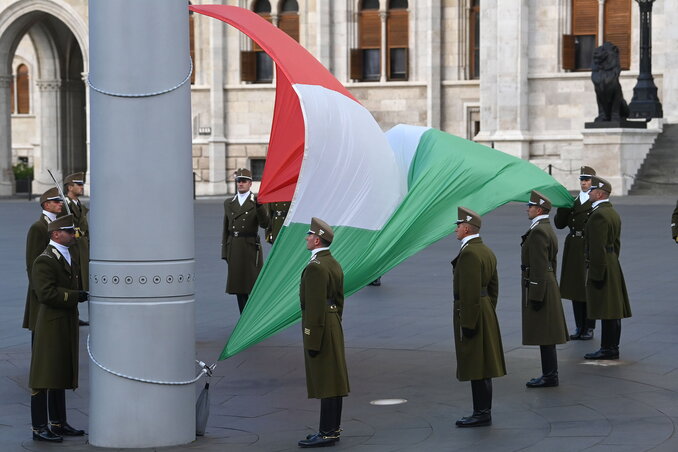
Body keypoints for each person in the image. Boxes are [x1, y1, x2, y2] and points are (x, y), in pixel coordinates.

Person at [28, 215, 88, 442]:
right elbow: (46, 294)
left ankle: (58, 422)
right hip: (51, 324)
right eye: (68, 231)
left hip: (64, 321)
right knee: (43, 376)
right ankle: (39, 427)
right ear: (55, 234)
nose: (73, 234)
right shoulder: (44, 260)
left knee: (60, 370)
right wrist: (76, 296)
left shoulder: (66, 254)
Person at [452, 207, 506, 428]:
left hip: (473, 313)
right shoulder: (485, 251)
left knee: (476, 364)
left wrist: (468, 322)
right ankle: (483, 411)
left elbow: (470, 292)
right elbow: (494, 288)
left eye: (457, 226)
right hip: (484, 311)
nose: (455, 229)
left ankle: (481, 413)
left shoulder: (470, 254)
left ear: (466, 228)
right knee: (483, 365)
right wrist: (488, 309)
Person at [298, 218, 349, 448]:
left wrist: (310, 335)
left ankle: (327, 433)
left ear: (317, 239)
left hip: (320, 326)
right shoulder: (333, 263)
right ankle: (331, 429)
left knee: (327, 380)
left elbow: (314, 306)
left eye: (309, 235)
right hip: (332, 323)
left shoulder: (316, 267)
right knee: (334, 378)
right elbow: (338, 301)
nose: (307, 238)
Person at [521, 191, 568, 388]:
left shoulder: (539, 231)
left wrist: (535, 294)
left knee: (545, 333)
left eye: (530, 206)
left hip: (540, 285)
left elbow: (540, 265)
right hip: (547, 283)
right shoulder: (545, 228)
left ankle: (550, 375)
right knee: (546, 333)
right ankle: (549, 374)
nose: (527, 209)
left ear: (539, 209)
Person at [583, 176, 632, 360]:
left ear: (600, 193)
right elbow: (616, 243)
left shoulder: (598, 215)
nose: (589, 193)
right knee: (613, 309)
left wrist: (595, 274)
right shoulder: (612, 212)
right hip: (612, 261)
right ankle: (612, 346)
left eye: (592, 191)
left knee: (606, 308)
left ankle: (608, 348)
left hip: (602, 264)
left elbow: (597, 247)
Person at [554, 166, 596, 340]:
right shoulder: (573, 201)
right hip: (573, 245)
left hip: (586, 246)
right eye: (582, 180)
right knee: (574, 287)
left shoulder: (594, 202)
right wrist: (563, 206)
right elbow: (559, 224)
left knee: (586, 288)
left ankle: (589, 327)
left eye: (587, 180)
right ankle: (579, 326)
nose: (584, 183)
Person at [221, 168, 269, 314]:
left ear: (250, 183)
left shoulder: (257, 202)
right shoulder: (229, 203)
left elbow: (265, 223)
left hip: (250, 247)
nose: (240, 184)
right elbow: (225, 228)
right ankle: (243, 317)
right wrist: (225, 251)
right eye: (238, 181)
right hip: (234, 246)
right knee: (238, 287)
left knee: (253, 287)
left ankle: (253, 317)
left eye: (243, 181)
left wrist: (260, 207)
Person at [23, 188, 64, 333]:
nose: (60, 204)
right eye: (56, 201)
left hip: (55, 285)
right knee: (40, 332)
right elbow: (32, 262)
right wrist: (38, 288)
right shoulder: (38, 227)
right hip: (42, 287)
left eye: (60, 200)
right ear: (46, 205)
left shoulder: (57, 224)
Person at [64, 172, 90, 326]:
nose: (81, 187)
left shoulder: (79, 205)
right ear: (69, 187)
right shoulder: (64, 206)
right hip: (72, 248)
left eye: (82, 184)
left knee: (82, 281)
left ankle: (76, 315)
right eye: (78, 184)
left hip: (83, 247)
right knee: (72, 281)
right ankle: (72, 314)